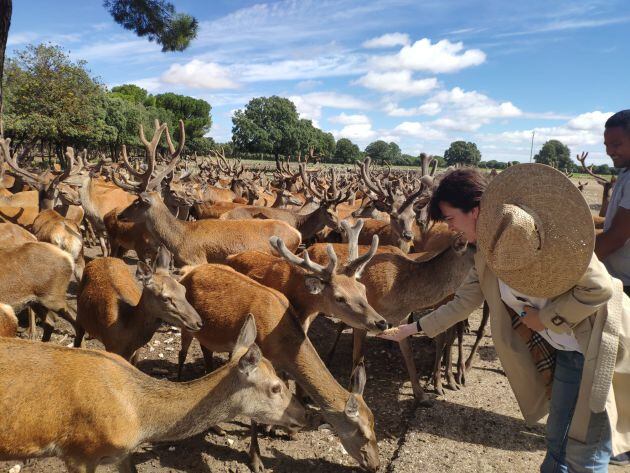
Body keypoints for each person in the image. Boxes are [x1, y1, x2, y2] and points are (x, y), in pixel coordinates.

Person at [378, 164, 630, 473]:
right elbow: (463, 303)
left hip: (597, 346)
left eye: (450, 218)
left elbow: (601, 288)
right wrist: (411, 328)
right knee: (557, 442)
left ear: (475, 210)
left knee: (584, 456)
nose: (450, 227)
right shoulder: (487, 251)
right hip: (568, 351)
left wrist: (546, 318)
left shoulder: (547, 236)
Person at [594, 109, 630, 466]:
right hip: (621, 276)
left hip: (627, 281)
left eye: (617, 143)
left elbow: (618, 236)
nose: (610, 150)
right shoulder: (624, 175)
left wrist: (581, 262)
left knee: (623, 363)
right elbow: (610, 227)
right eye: (607, 144)